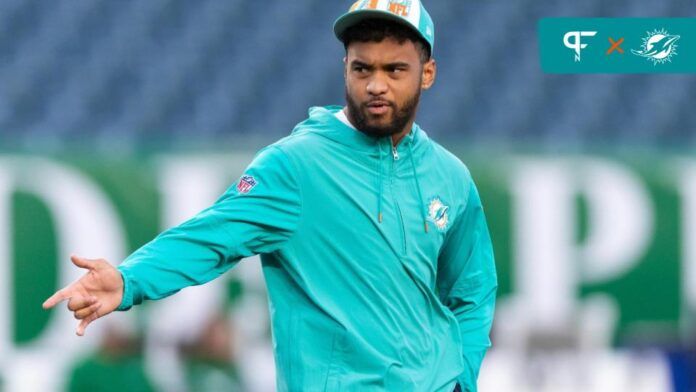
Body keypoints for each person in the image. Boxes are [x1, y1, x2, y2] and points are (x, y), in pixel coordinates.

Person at [43, 1, 497, 391]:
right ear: (346, 69)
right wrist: (128, 280)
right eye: (363, 68)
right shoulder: (295, 167)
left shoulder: (450, 177)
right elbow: (210, 236)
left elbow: (472, 290)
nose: (376, 84)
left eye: (395, 69)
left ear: (428, 73)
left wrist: (463, 378)